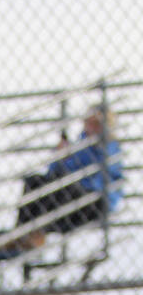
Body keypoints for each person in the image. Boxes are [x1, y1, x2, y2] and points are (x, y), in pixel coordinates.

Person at [14, 104, 123, 249]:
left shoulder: (108, 146)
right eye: (88, 123)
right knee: (35, 181)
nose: (90, 128)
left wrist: (70, 166)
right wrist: (62, 157)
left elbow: (95, 180)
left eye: (96, 124)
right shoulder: (80, 144)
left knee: (63, 189)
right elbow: (53, 173)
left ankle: (32, 234)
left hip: (95, 199)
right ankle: (24, 234)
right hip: (73, 191)